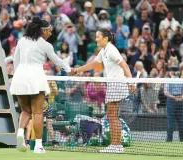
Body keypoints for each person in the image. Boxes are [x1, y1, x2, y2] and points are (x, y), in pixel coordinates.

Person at [10, 16, 74, 153]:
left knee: (26, 110)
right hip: (35, 77)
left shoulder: (21, 41)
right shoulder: (45, 45)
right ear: (42, 31)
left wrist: (16, 77)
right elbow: (57, 61)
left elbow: (16, 62)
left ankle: (20, 132)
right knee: (38, 112)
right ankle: (38, 145)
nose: (50, 33)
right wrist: (70, 70)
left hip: (20, 77)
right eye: (49, 31)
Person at [73, 28, 135, 153]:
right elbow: (94, 64)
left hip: (117, 84)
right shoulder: (103, 50)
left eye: (98, 36)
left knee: (112, 116)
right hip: (113, 85)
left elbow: (125, 66)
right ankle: (116, 145)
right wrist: (78, 70)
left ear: (105, 38)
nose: (96, 39)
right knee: (112, 116)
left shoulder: (112, 50)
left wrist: (131, 82)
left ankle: (116, 145)